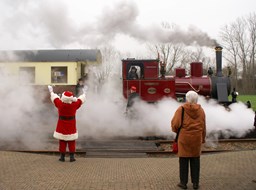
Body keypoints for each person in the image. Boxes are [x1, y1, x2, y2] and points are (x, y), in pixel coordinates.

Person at [171, 91, 206, 190]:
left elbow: (175, 124)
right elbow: (203, 126)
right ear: (196, 99)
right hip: (196, 138)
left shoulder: (181, 109)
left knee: (183, 161)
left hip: (184, 139)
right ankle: (195, 183)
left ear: (187, 99)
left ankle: (183, 183)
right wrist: (202, 138)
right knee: (195, 161)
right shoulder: (201, 110)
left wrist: (177, 131)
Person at [48, 85, 87, 162]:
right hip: (71, 124)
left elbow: (55, 98)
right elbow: (80, 100)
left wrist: (51, 91)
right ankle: (72, 157)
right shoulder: (74, 105)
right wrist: (85, 92)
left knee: (62, 141)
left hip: (61, 124)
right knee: (71, 141)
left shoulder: (60, 104)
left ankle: (62, 157)